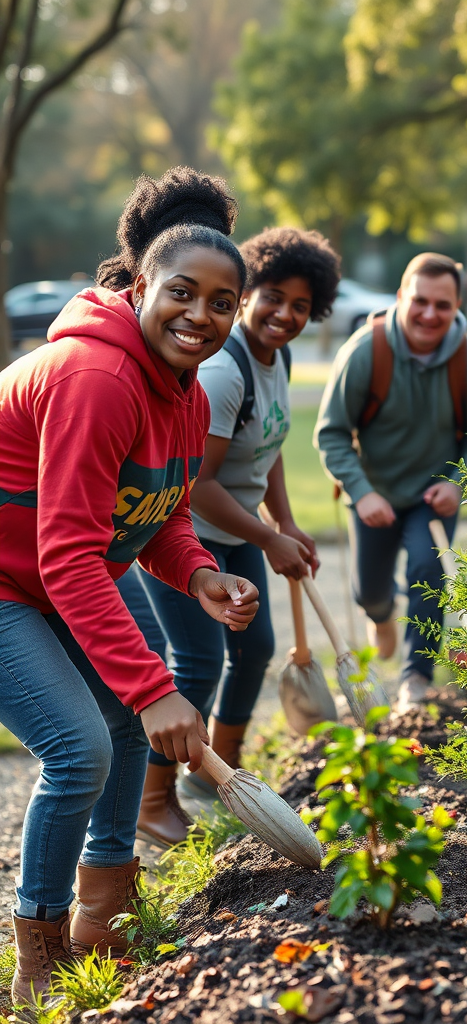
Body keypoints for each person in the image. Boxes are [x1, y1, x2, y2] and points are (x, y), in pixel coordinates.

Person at [0, 167, 260, 1004]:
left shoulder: (179, 387)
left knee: (117, 721)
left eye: (223, 304)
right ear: (141, 284)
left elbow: (158, 510)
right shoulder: (96, 378)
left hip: (45, 575)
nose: (202, 316)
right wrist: (155, 687)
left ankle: (102, 916)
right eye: (183, 293)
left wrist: (201, 573)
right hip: (15, 580)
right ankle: (37, 956)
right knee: (81, 747)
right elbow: (72, 555)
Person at [137, 227, 341, 844]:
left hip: (237, 531)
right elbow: (198, 486)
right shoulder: (224, 371)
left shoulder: (273, 361)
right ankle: (152, 798)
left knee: (254, 649)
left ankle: (214, 775)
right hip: (188, 535)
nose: (285, 314)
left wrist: (285, 522)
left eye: (301, 306)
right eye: (273, 297)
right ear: (248, 294)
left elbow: (269, 448)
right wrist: (269, 537)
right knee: (197, 662)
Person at [315, 253, 467, 713]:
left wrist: (459, 482)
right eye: (420, 301)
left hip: (434, 497)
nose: (430, 314)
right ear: (401, 297)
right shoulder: (363, 351)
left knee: (427, 573)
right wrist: (361, 491)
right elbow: (332, 433)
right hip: (375, 493)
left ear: (457, 306)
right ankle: (381, 619)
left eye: (443, 305)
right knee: (370, 592)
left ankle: (415, 679)